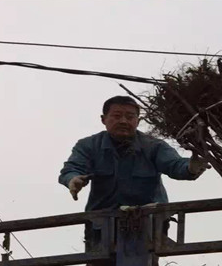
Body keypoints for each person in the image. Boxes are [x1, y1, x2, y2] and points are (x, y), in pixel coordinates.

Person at [59, 94, 209, 255]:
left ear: (138, 120)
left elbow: (175, 164)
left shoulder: (154, 146)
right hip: (102, 224)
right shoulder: (88, 146)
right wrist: (73, 180)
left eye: (130, 116)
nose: (123, 121)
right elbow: (71, 169)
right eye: (116, 116)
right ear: (103, 119)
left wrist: (191, 167)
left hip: (148, 222)